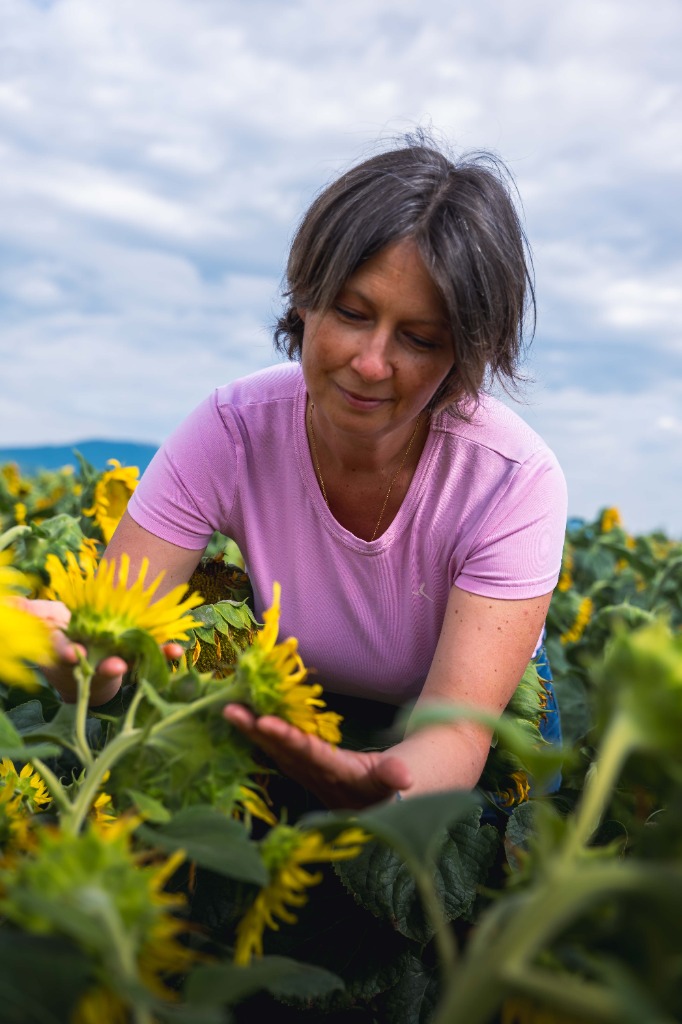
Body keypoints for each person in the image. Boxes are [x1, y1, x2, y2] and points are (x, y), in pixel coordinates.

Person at [46, 138, 568, 811]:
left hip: (480, 721)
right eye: (352, 314)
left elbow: (455, 741)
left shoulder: (511, 480)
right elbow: (112, 633)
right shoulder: (234, 429)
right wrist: (68, 657)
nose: (372, 362)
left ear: (465, 355)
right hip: (308, 699)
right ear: (306, 297)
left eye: (420, 338)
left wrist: (372, 783)